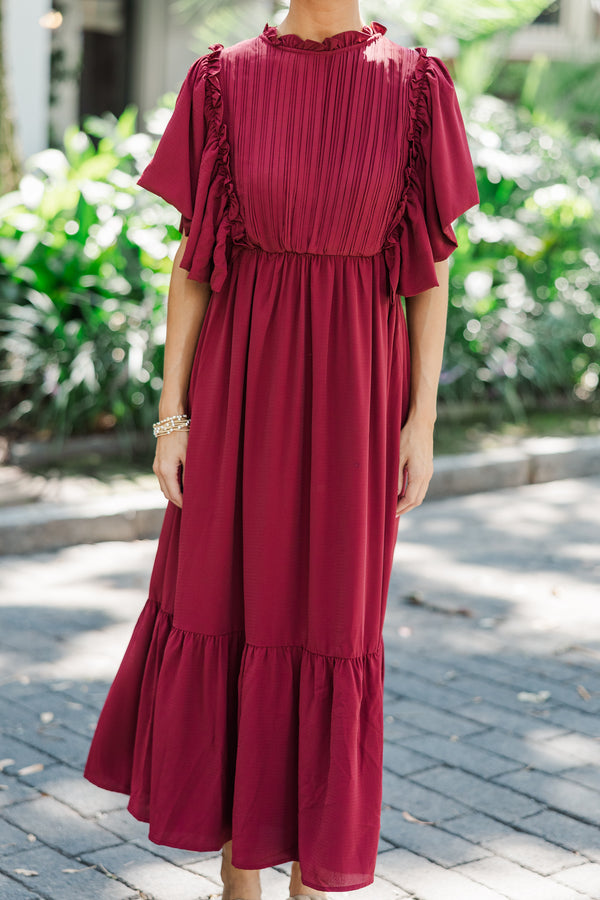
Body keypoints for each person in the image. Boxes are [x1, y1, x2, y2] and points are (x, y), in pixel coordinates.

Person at [83, 1, 479, 898]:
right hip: (237, 390)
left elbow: (432, 272)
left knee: (329, 625)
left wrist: (420, 422)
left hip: (357, 400)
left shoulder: (418, 86)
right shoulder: (221, 80)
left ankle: (309, 880)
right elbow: (193, 263)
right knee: (230, 608)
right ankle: (239, 880)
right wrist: (172, 415)